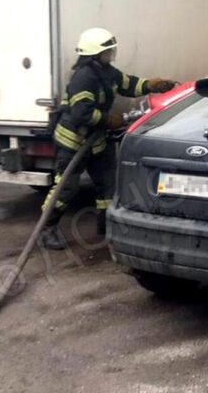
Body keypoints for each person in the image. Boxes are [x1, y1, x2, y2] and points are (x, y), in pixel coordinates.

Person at [40, 27, 177, 250]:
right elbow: (81, 113)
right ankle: (47, 229)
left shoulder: (107, 72)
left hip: (96, 141)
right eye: (108, 51)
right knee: (66, 189)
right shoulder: (83, 78)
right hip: (74, 142)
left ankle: (106, 225)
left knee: (108, 185)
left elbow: (128, 84)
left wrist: (152, 85)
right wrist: (109, 119)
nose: (111, 55)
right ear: (95, 54)